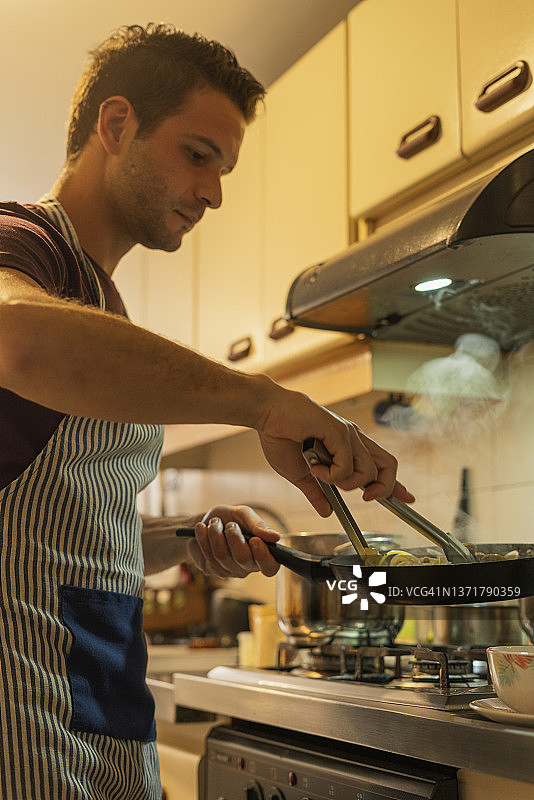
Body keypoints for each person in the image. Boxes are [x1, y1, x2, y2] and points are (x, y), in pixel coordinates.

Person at [0, 23, 414, 800]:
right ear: (116, 126)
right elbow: (13, 337)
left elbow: (74, 531)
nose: (215, 192)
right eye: (198, 154)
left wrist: (188, 539)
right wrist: (264, 403)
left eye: (224, 169)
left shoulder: (102, 309)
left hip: (94, 709)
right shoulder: (23, 244)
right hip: (22, 721)